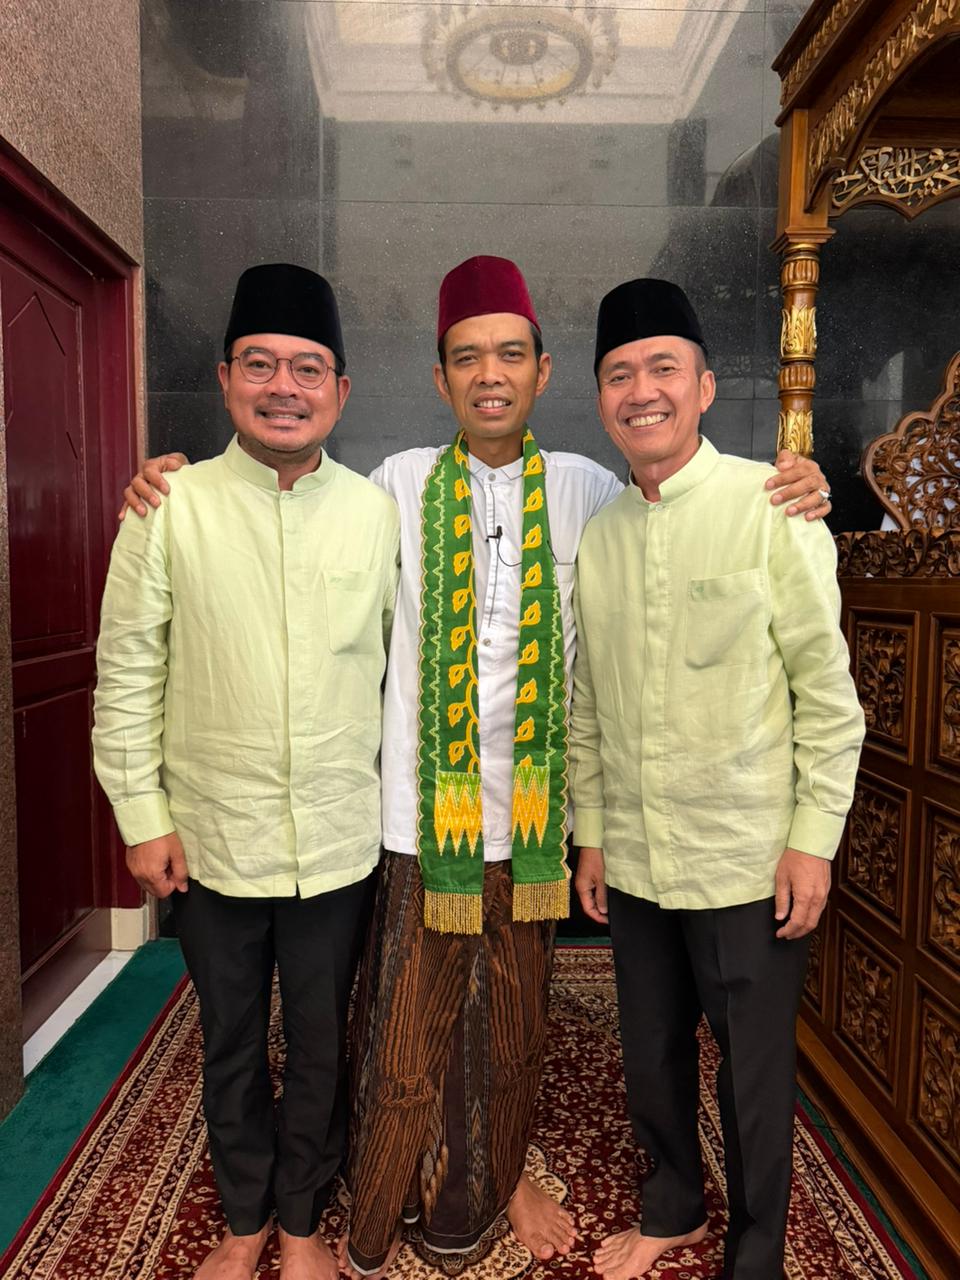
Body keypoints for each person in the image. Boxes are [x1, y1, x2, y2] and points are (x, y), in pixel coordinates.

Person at [121, 258, 831, 1279]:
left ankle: (504, 1174)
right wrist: (163, 482)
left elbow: (633, 635)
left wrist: (800, 481)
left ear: (544, 372)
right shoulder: (389, 489)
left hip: (535, 826)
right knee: (402, 1033)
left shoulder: (596, 494)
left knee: (512, 1024)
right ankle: (373, 1192)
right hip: (416, 820)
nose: (489, 375)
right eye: (466, 357)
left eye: (510, 355)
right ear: (440, 376)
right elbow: (291, 544)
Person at [93, 263, 400, 1280]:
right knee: (228, 1037)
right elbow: (127, 671)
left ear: (339, 390)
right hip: (209, 836)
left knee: (319, 1040)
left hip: (338, 839)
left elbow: (406, 671)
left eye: (307, 369)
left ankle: (302, 1218)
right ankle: (243, 1216)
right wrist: (141, 813)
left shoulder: (376, 515)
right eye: (260, 365)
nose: (284, 388)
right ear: (225, 379)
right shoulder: (168, 507)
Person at [571, 278, 864, 1280]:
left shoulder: (771, 505)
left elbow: (828, 695)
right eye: (619, 374)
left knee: (753, 1070)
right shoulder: (602, 534)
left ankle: (756, 1254)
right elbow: (587, 702)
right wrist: (591, 832)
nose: (641, 391)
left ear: (703, 387)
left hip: (747, 854)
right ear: (600, 398)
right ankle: (674, 1206)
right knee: (650, 1050)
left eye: (663, 368)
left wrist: (812, 841)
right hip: (637, 856)